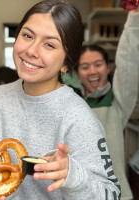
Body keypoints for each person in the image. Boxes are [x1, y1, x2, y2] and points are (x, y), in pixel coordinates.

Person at [0, 0, 121, 199]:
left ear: (65, 64)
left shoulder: (79, 117)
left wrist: (73, 175)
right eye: (27, 35)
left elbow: (111, 193)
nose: (31, 51)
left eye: (49, 44)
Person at [62, 6, 139, 200]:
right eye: (85, 67)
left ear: (107, 68)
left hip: (114, 194)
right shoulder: (70, 103)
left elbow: (129, 61)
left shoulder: (116, 102)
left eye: (98, 65)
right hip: (77, 193)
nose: (92, 71)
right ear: (77, 73)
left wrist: (134, 18)